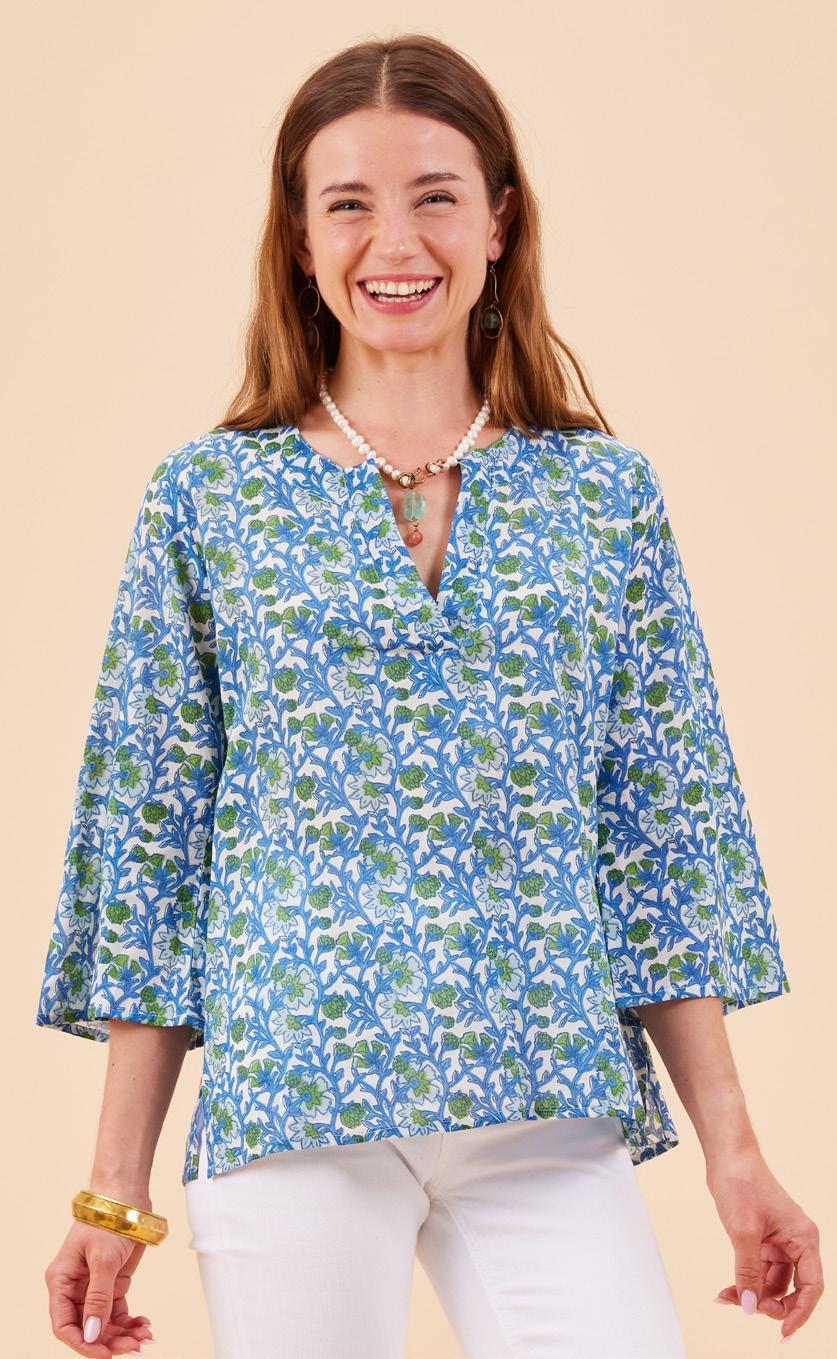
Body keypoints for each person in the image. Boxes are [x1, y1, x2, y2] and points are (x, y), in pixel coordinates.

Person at [36, 32, 822, 1359]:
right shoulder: (208, 499)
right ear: (298, 238)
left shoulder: (602, 497)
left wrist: (734, 1159)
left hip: (547, 1106)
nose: (393, 242)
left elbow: (661, 842)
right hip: (293, 1109)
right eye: (347, 202)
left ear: (500, 222)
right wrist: (113, 1192)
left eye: (436, 196)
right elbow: (149, 850)